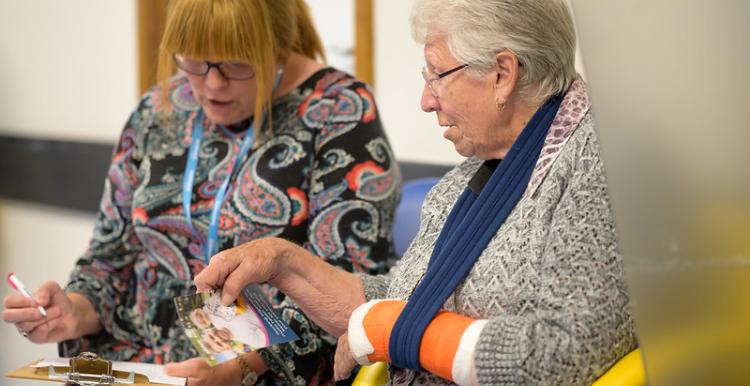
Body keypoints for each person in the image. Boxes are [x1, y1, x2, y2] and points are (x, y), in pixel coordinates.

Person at [193, 0, 638, 385]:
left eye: (438, 75)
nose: (426, 100)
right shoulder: (465, 183)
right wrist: (282, 262)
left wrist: (393, 329)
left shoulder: (602, 162)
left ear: (503, 73)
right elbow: (398, 301)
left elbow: (564, 352)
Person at [1, 0, 400, 385]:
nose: (212, 84)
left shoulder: (338, 111)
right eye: (194, 61)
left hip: (266, 371)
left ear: (275, 48)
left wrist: (241, 368)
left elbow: (343, 288)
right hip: (142, 368)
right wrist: (73, 311)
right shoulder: (159, 109)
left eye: (236, 64)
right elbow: (110, 258)